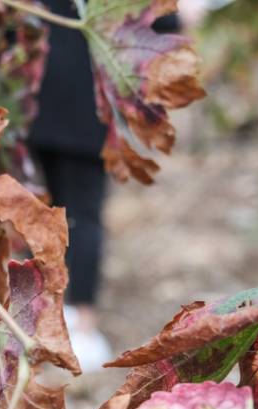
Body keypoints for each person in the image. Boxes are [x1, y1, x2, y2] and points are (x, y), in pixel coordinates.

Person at [28, 0, 181, 371]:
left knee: (42, 214)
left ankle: (47, 318)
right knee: (81, 215)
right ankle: (81, 324)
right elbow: (164, 21)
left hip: (36, 103)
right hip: (87, 109)